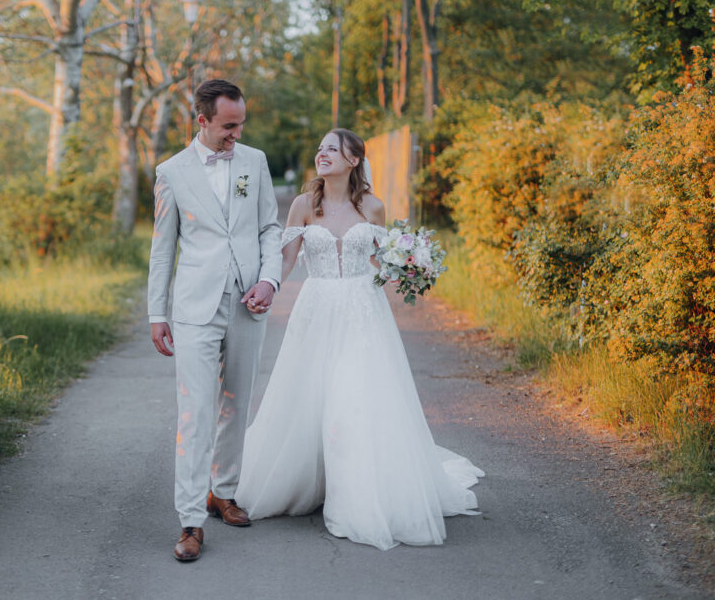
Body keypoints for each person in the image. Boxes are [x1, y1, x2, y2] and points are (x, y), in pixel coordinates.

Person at [234, 128, 484, 550]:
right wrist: (267, 287)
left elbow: (379, 260)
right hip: (317, 309)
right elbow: (286, 259)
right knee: (308, 395)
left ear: (353, 160)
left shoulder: (373, 206)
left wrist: (410, 265)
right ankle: (306, 480)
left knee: (353, 398)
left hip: (362, 312)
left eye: (332, 149)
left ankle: (356, 492)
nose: (322, 154)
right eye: (320, 148)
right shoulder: (303, 205)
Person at [147, 79, 282, 561]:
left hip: (248, 303)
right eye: (228, 126)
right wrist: (157, 312)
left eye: (241, 124)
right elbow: (162, 248)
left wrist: (270, 280)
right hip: (195, 308)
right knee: (195, 413)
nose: (236, 134)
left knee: (236, 404)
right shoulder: (171, 172)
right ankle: (190, 521)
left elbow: (270, 227)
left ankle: (222, 492)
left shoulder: (254, 161)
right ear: (202, 121)